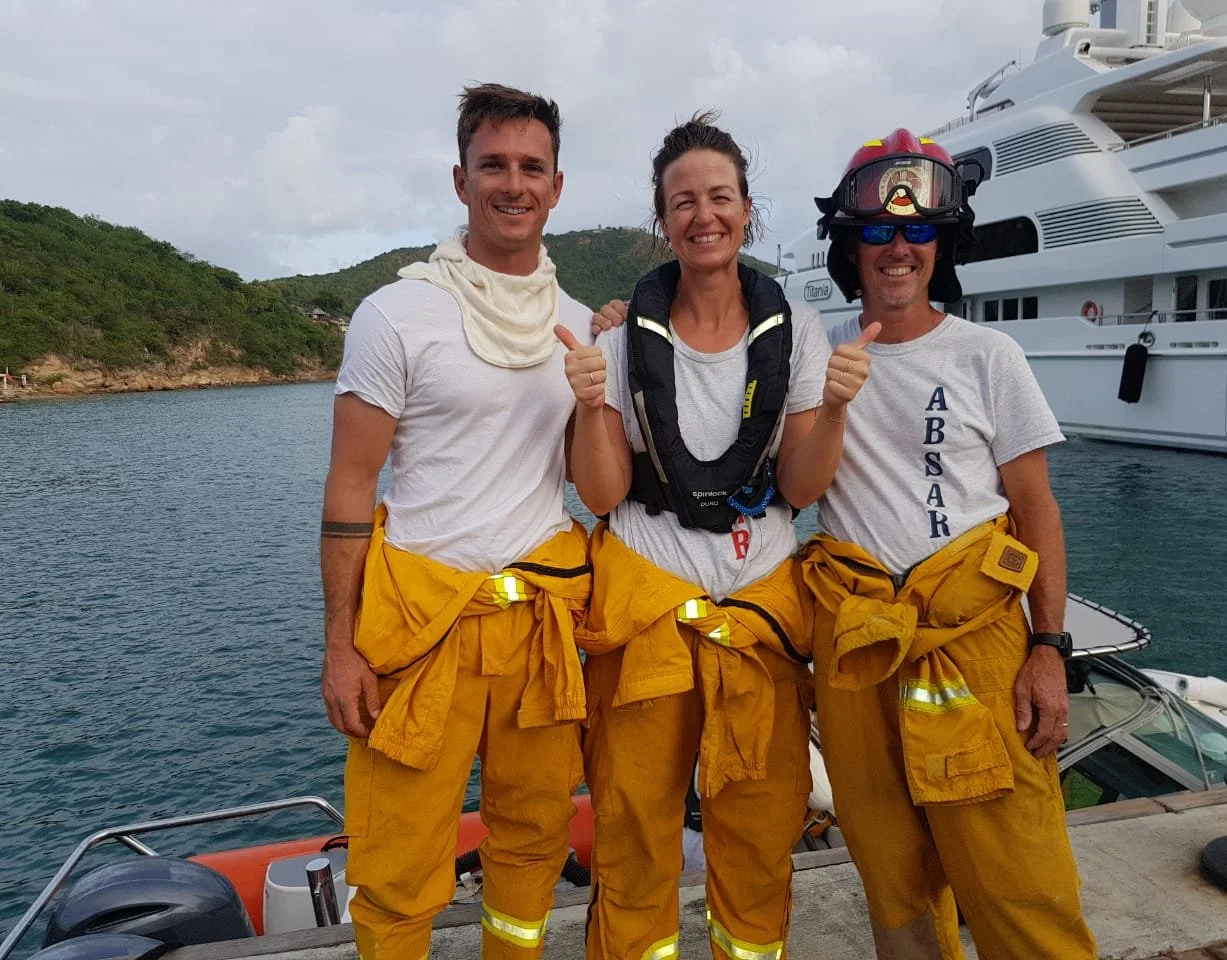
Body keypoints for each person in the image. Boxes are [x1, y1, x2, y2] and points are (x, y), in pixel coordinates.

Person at [557, 112, 876, 960]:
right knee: (631, 832)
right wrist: (592, 402)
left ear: (747, 211)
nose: (704, 215)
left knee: (759, 832)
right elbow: (602, 492)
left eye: (720, 197)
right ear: (661, 220)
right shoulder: (619, 344)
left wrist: (837, 407)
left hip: (757, 615)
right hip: (648, 608)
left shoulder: (798, 333)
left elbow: (802, 487)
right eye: (683, 201)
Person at [802, 128, 1096, 959]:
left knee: (1019, 873)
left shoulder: (988, 355)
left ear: (943, 245)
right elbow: (791, 482)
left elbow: (1035, 510)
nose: (898, 248)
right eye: (878, 233)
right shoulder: (814, 356)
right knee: (891, 878)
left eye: (919, 231)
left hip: (975, 645)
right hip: (860, 651)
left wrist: (1047, 649)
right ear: (850, 248)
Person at [319, 83, 596, 960]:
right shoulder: (395, 314)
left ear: (557, 187)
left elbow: (598, 480)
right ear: (460, 179)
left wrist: (605, 378)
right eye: (493, 166)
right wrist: (339, 643)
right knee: (398, 860)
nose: (511, 184)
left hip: (539, 622)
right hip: (420, 622)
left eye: (530, 167)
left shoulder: (583, 328)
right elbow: (351, 486)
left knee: (531, 842)